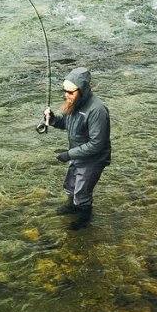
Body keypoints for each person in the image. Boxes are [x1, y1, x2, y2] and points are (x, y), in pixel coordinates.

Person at [43, 67, 111, 230]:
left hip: (93, 160)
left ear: (83, 90)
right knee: (70, 186)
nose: (66, 95)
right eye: (64, 91)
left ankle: (85, 218)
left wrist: (68, 154)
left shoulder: (97, 110)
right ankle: (74, 207)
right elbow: (68, 124)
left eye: (70, 92)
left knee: (82, 193)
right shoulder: (74, 102)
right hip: (78, 155)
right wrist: (52, 120)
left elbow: (97, 144)